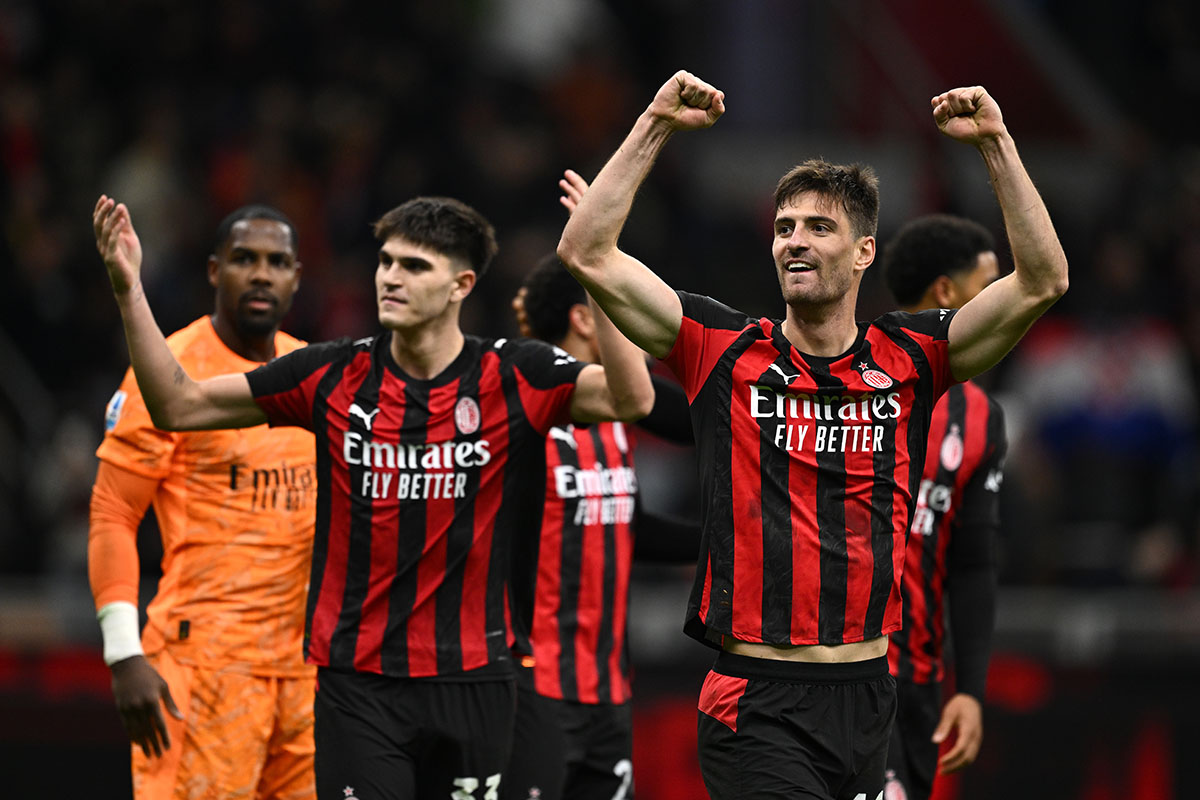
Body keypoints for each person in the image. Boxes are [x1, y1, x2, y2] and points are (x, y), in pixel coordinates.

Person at [556, 70, 1068, 799]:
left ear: (864, 252)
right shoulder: (721, 348)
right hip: (757, 702)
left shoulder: (912, 359)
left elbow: (1043, 280)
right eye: (784, 227)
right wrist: (655, 123)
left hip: (868, 697)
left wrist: (996, 145)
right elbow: (587, 252)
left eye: (819, 227)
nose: (794, 242)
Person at [92, 191, 654, 800]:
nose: (391, 277)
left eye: (414, 266)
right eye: (386, 261)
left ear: (461, 284)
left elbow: (633, 400)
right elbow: (178, 404)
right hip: (353, 685)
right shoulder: (328, 374)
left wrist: (595, 269)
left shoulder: (513, 373)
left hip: (475, 680)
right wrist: (129, 290)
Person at [87, 205, 317, 800]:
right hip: (202, 664)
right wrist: (122, 653)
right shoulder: (168, 372)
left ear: (297, 276)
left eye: (276, 262)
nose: (260, 275)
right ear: (215, 272)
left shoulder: (315, 373)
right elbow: (114, 512)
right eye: (244, 260)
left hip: (304, 675)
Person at [503, 176, 697, 800]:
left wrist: (733, 540)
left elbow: (627, 527)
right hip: (534, 687)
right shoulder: (532, 418)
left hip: (608, 688)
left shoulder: (619, 424)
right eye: (622, 313)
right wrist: (594, 255)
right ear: (589, 319)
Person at [879, 214, 1009, 800]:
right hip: (836, 672)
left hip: (920, 687)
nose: (1008, 311)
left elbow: (973, 562)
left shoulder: (981, 417)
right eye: (991, 289)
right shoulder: (848, 378)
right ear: (947, 294)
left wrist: (971, 689)